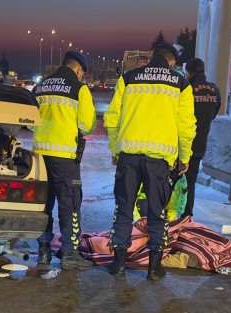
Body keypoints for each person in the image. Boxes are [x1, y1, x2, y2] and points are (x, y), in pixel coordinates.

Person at [104, 44, 196, 281]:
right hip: (159, 162)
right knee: (157, 213)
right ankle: (154, 268)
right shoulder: (180, 83)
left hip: (129, 157)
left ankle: (119, 264)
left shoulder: (128, 78)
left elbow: (112, 118)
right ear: (171, 63)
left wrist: (115, 149)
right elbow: (186, 126)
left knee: (123, 210)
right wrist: (184, 157)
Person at [33, 50, 96, 271]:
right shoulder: (79, 88)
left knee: (43, 206)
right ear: (78, 69)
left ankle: (43, 254)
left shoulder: (41, 86)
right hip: (65, 158)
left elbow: (31, 121)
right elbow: (87, 125)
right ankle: (69, 254)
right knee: (69, 205)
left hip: (40, 155)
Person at [182, 58, 221, 219]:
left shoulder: (187, 89)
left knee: (175, 181)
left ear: (189, 72)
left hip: (184, 142)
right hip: (200, 143)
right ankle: (187, 214)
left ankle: (172, 214)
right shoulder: (214, 90)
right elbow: (214, 113)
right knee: (190, 182)